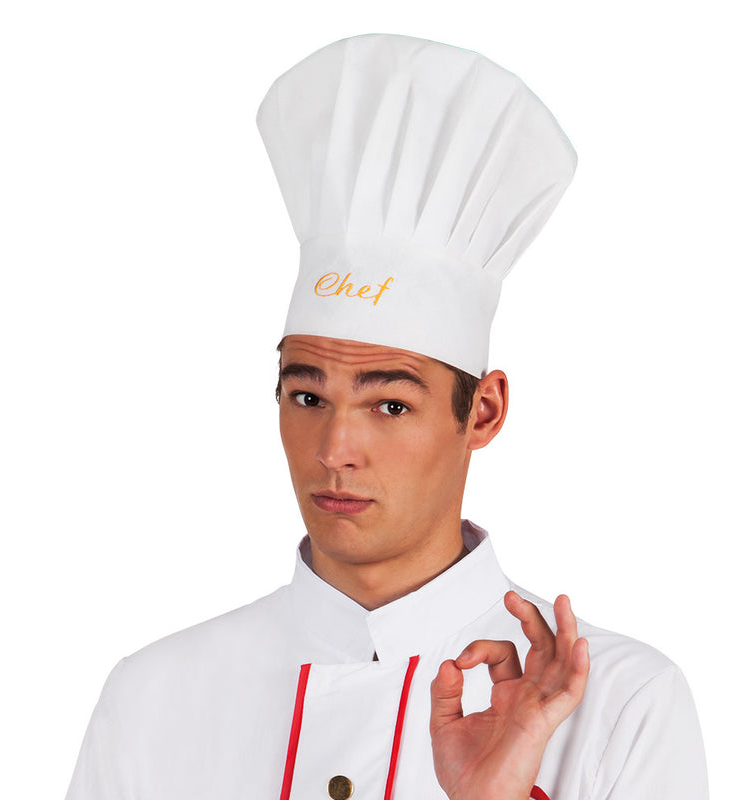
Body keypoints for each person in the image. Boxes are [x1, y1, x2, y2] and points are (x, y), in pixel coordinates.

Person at [66, 34, 708, 800]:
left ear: (483, 412)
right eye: (308, 397)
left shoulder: (620, 708)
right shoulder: (154, 699)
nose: (336, 448)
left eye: (390, 404)